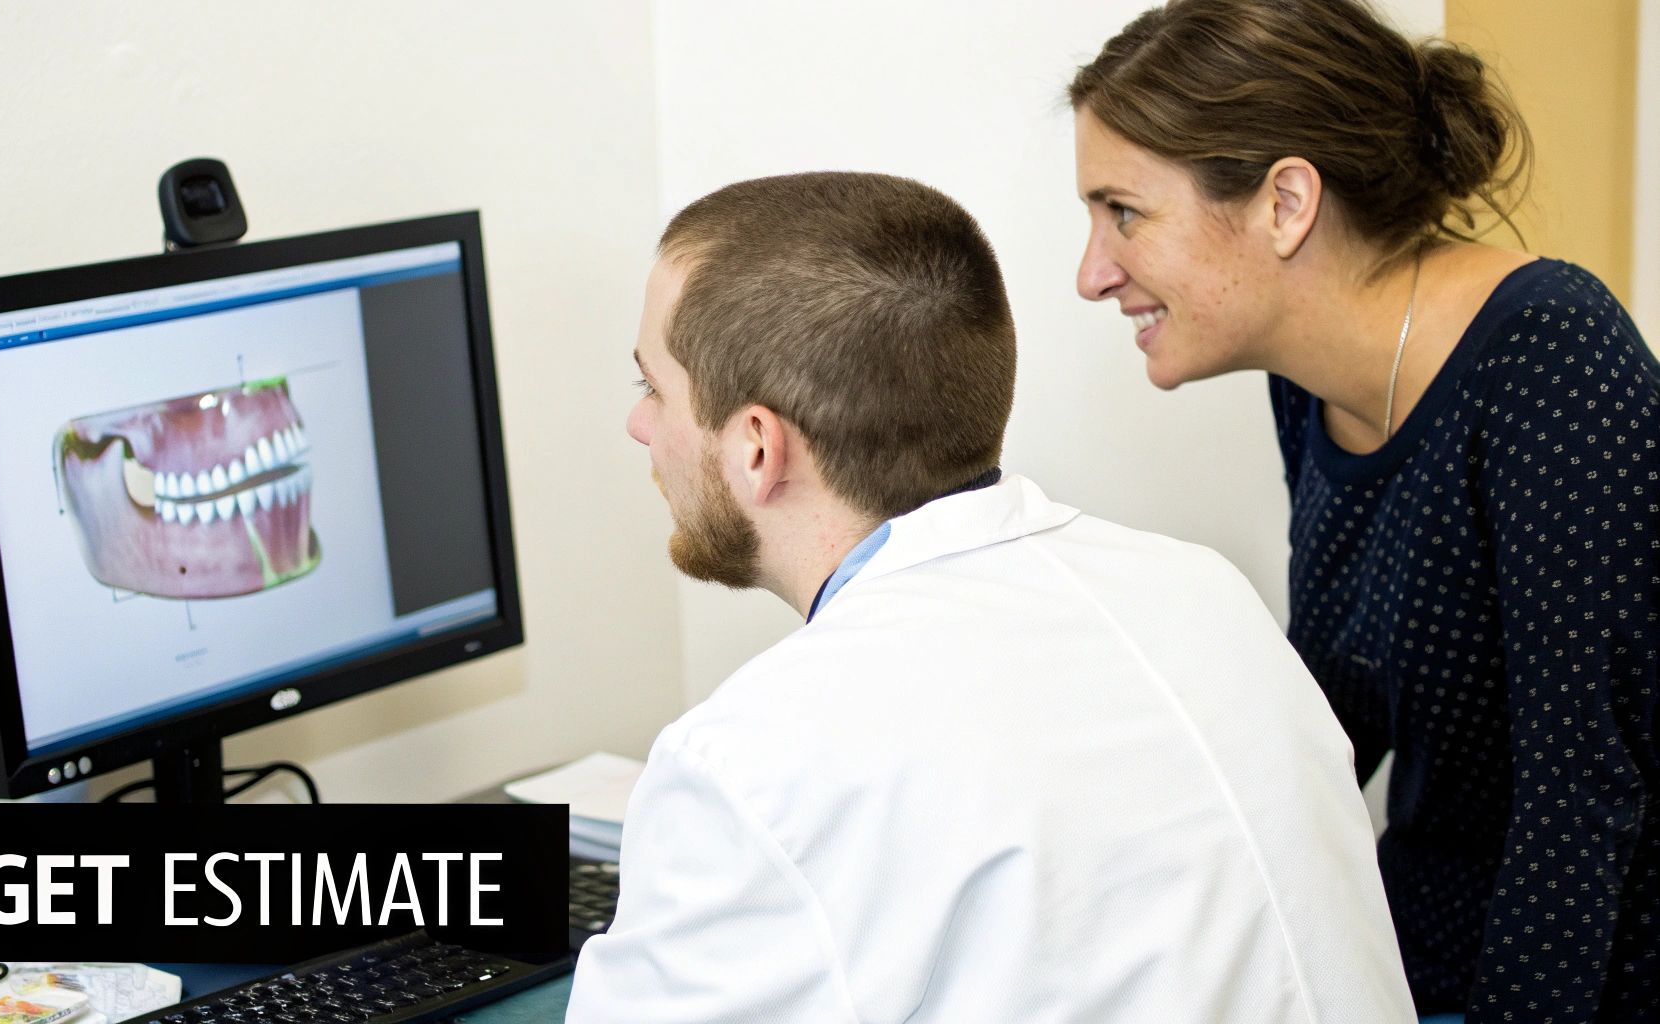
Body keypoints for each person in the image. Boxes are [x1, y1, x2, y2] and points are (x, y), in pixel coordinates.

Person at [564, 170, 1415, 1022]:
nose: (641, 426)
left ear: (758, 447)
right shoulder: (1202, 592)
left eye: (654, 390)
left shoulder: (752, 763)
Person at [1068, 1, 1660, 1019]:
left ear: (1285, 203)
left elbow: (1583, 802)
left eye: (1123, 212)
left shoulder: (1550, 357)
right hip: (1412, 952)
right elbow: (1338, 717)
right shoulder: (1307, 382)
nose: (1091, 273)